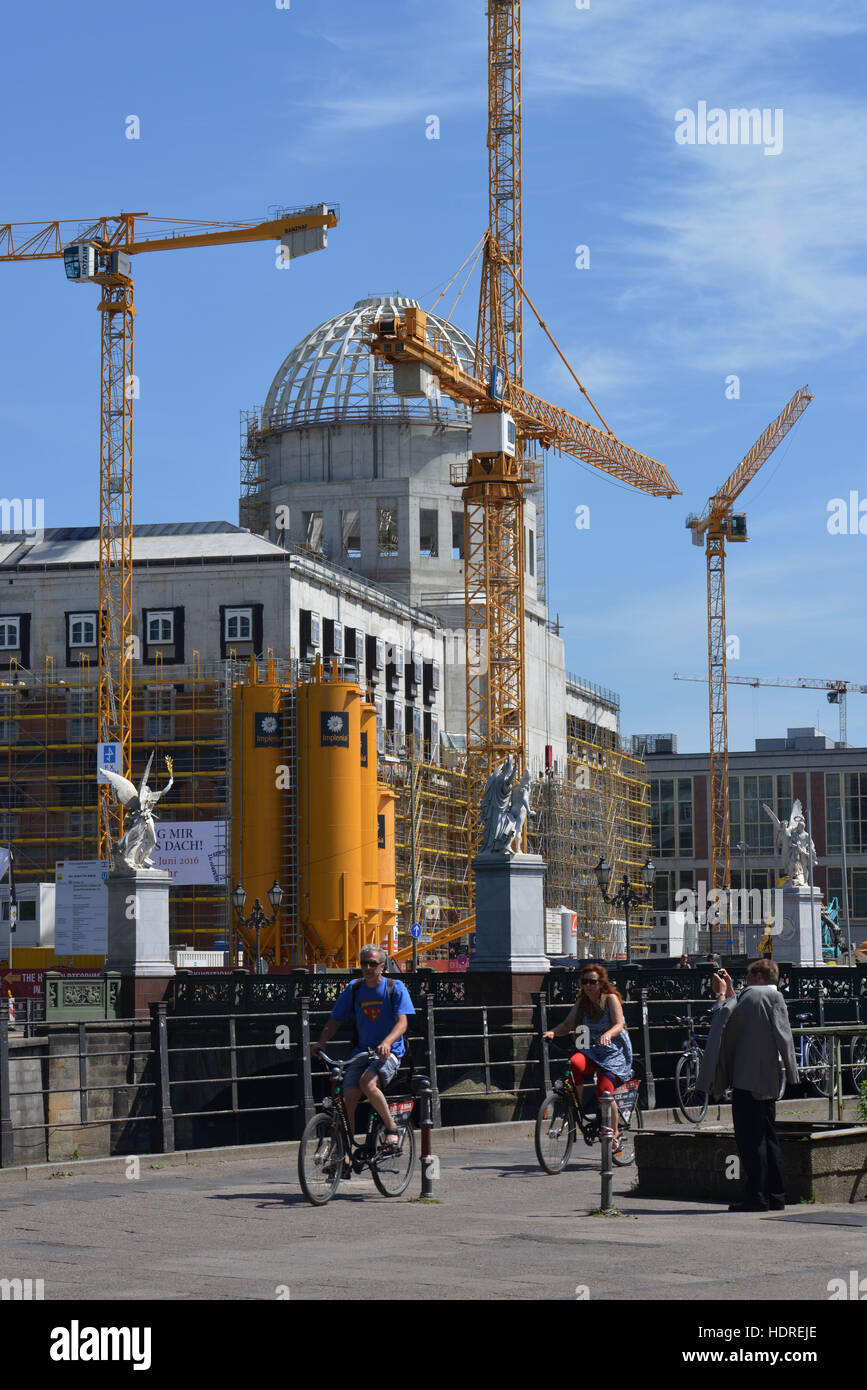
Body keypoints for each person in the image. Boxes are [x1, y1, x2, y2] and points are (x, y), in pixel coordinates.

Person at [705, 959, 799, 1212]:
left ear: (758, 976)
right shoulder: (769, 997)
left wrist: (722, 993)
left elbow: (722, 1017)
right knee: (769, 1137)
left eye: (748, 976)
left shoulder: (754, 995)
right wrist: (792, 1074)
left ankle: (756, 1196)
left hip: (746, 1079)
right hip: (767, 1079)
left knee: (750, 1140)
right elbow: (783, 1036)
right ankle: (776, 1195)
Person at [313, 946, 415, 1164]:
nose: (367, 968)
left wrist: (387, 1042)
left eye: (372, 964)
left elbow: (403, 1023)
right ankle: (346, 1152)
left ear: (382, 967)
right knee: (348, 1096)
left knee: (367, 1083)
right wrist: (321, 1042)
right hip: (362, 1052)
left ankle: (391, 1127)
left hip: (390, 1052)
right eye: (364, 963)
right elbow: (335, 1020)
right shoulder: (354, 989)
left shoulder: (395, 988)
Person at [542, 963, 633, 1152]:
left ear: (601, 984)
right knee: (575, 1063)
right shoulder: (582, 1002)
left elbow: (618, 1025)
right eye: (585, 982)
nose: (588, 985)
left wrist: (608, 1034)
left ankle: (614, 1134)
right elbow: (567, 1024)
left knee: (604, 1090)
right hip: (592, 1050)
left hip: (613, 1052)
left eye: (593, 981)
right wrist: (552, 1032)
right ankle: (576, 1107)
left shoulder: (611, 999)